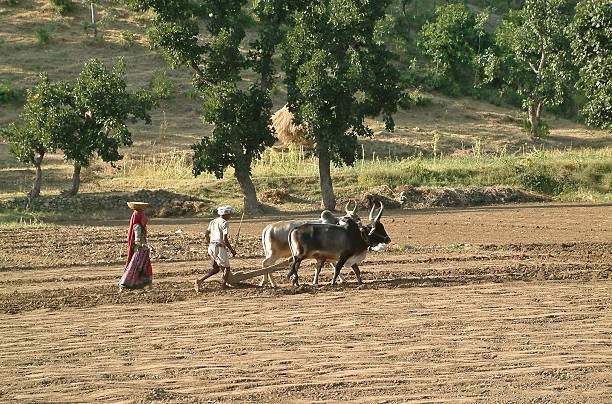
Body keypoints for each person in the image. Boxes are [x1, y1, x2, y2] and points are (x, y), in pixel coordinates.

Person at [194, 205, 237, 292]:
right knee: (227, 268)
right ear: (226, 214)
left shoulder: (213, 221)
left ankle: (200, 281)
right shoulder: (224, 223)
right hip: (219, 248)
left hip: (211, 247)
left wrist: (210, 243)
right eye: (229, 214)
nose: (230, 216)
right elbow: (225, 239)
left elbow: (206, 234)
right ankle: (223, 286)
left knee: (216, 269)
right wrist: (232, 250)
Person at [119, 203, 154, 293]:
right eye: (143, 216)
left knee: (145, 269)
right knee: (133, 269)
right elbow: (137, 241)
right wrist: (147, 246)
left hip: (144, 252)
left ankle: (148, 287)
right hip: (140, 252)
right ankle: (122, 287)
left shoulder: (140, 226)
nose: (145, 218)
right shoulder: (138, 227)